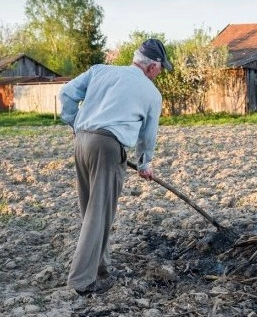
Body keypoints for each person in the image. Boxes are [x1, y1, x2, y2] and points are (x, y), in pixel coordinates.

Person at [59, 38, 173, 295]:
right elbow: (148, 136)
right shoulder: (152, 94)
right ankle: (82, 281)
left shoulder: (100, 70)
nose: (161, 72)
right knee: (99, 214)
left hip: (82, 141)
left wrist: (74, 123)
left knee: (90, 209)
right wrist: (145, 164)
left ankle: (101, 268)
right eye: (161, 68)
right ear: (153, 67)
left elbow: (65, 93)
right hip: (108, 148)